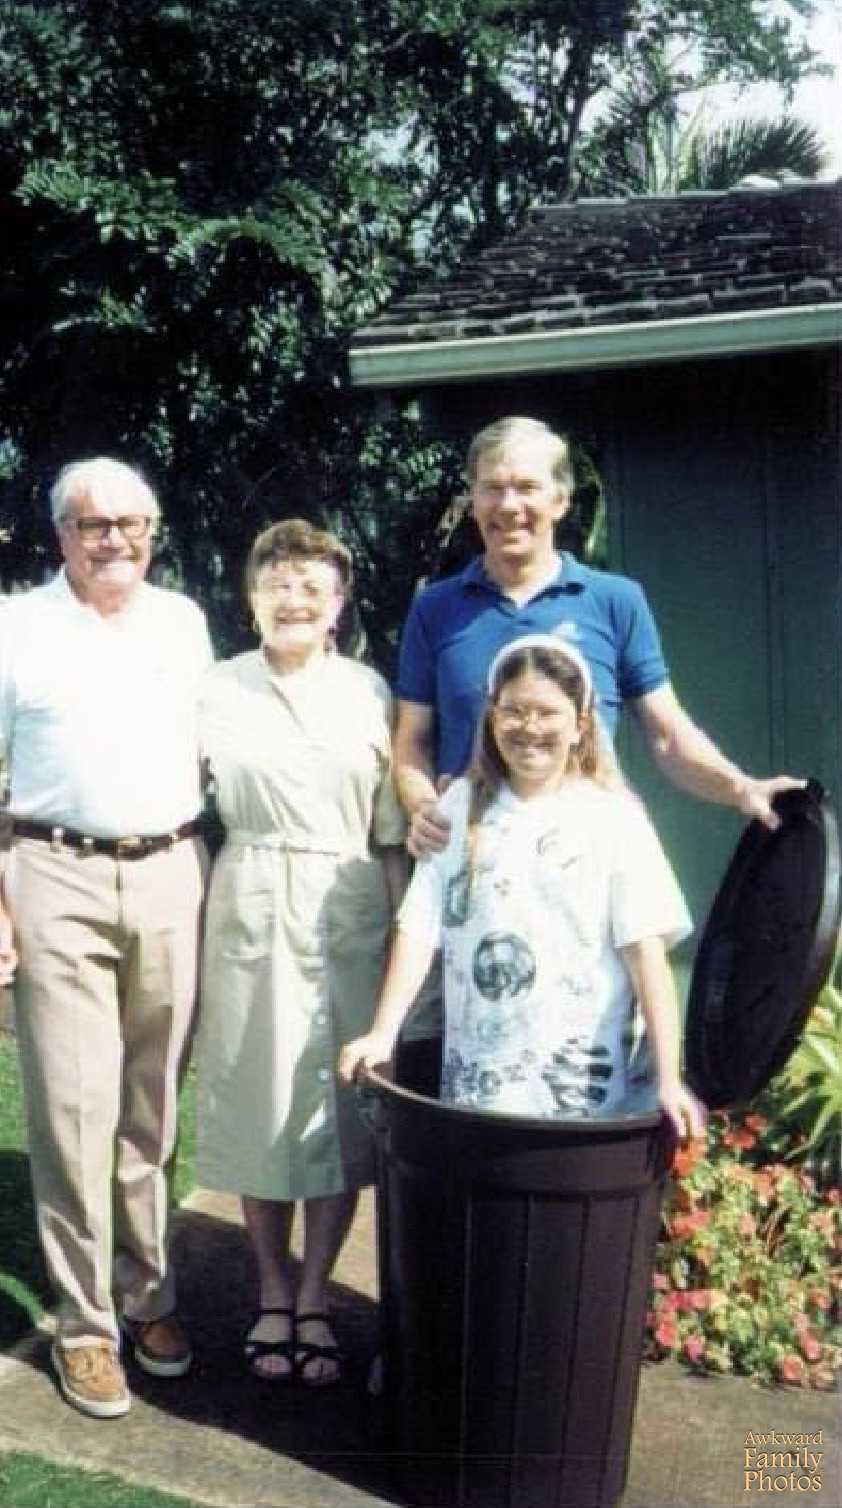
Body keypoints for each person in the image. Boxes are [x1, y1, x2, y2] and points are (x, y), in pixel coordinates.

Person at [0, 458, 212, 1420]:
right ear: (61, 533)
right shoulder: (16, 629)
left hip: (173, 869)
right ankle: (85, 1325)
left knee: (154, 1106)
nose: (114, 540)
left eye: (131, 523)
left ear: (152, 531)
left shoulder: (184, 623)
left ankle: (148, 1298)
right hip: (56, 873)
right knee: (72, 1109)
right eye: (94, 524)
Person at [191, 519, 407, 1386]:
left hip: (348, 906)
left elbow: (389, 832)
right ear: (251, 599)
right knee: (259, 1102)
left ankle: (315, 1296)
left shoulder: (368, 691)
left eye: (313, 587)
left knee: (336, 1112)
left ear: (338, 604)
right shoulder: (216, 689)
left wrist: (404, 944)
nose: (295, 600)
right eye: (278, 584)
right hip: (247, 898)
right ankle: (270, 1289)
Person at [340, 634, 705, 1140]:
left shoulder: (613, 818)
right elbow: (419, 931)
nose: (529, 727)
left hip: (580, 1099)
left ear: (580, 725)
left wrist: (668, 1080)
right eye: (513, 711)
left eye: (547, 712)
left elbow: (647, 957)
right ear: (492, 717)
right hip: (478, 1093)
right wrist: (382, 1033)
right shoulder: (458, 807)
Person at [395, 415, 802, 859]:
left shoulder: (614, 601)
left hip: (586, 855)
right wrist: (426, 809)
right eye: (492, 488)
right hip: (473, 853)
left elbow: (668, 735)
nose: (509, 506)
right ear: (473, 501)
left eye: (527, 487)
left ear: (560, 500)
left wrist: (741, 788)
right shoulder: (434, 608)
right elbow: (412, 741)